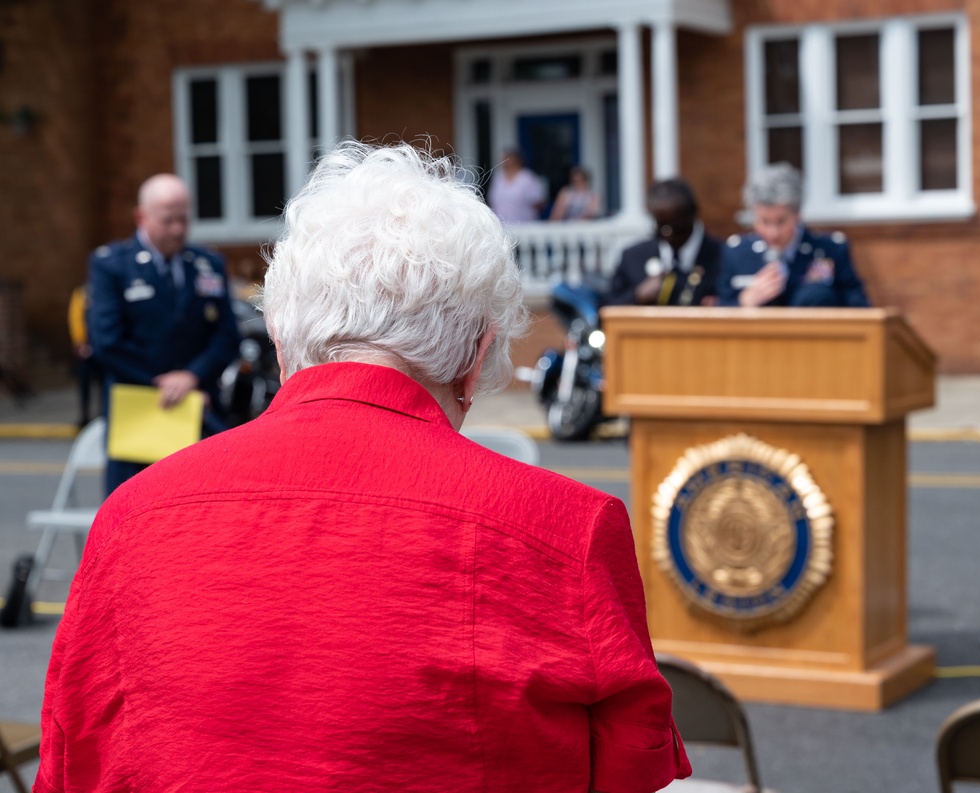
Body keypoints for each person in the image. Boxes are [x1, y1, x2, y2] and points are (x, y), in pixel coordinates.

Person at [37, 141, 691, 793]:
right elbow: (628, 769)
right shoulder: (569, 528)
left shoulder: (129, 518)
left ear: (282, 341)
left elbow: (71, 763)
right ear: (477, 354)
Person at [87, 174, 240, 495]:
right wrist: (165, 380)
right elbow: (107, 341)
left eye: (183, 219)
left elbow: (226, 334)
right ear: (141, 217)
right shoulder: (112, 266)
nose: (177, 229)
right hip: (140, 415)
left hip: (199, 410)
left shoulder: (207, 264)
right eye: (168, 220)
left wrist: (191, 376)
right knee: (132, 512)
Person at [717, 162, 870, 307]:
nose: (773, 232)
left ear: (798, 214)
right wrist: (744, 302)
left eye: (781, 221)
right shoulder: (736, 253)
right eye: (765, 221)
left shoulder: (831, 251)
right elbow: (717, 312)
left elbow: (859, 308)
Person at [603, 178, 722, 307]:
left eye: (677, 227)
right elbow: (605, 310)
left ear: (692, 214)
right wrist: (637, 296)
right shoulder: (633, 257)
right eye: (661, 228)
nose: (669, 235)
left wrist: (722, 306)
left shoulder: (722, 256)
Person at [66, 284, 103, 428]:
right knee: (84, 384)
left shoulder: (108, 290)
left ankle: (104, 414)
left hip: (104, 348)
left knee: (105, 384)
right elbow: (75, 318)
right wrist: (80, 342)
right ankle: (85, 415)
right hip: (86, 348)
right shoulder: (83, 292)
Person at [486, 147, 546, 223]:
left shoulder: (527, 177)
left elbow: (539, 202)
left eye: (507, 159)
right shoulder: (498, 177)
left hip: (525, 226)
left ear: (517, 160)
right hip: (502, 225)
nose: (504, 162)